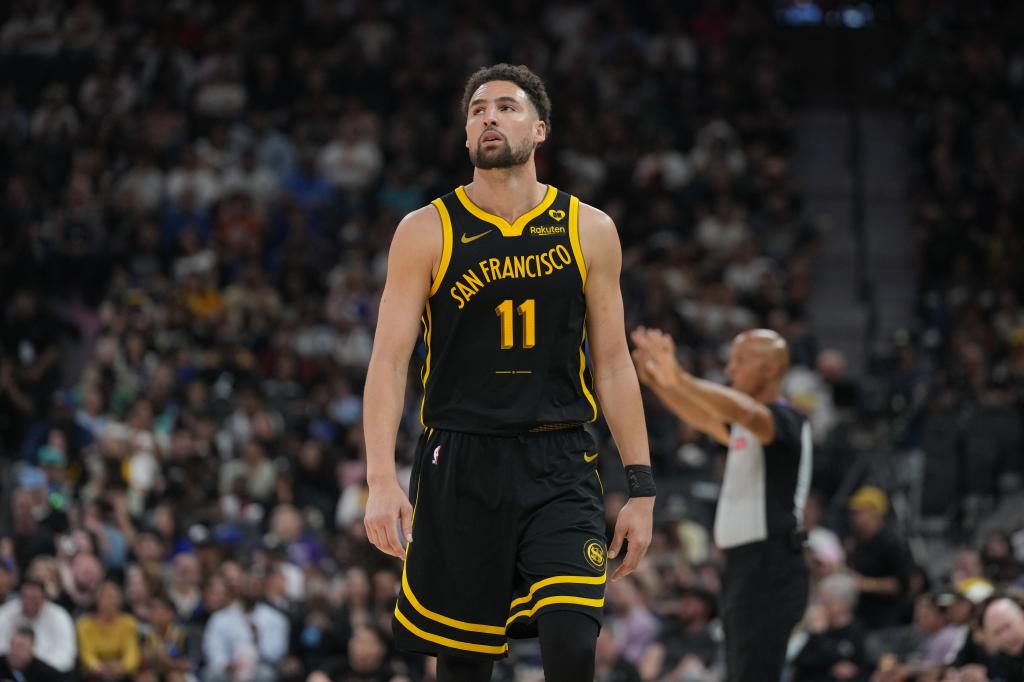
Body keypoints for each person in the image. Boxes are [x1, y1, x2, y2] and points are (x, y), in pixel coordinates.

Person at [363, 63, 654, 682]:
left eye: (506, 106)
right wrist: (380, 479)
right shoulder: (426, 229)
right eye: (477, 110)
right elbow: (388, 361)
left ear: (540, 129)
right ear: (467, 134)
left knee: (572, 646)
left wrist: (642, 488)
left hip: (561, 459)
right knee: (465, 666)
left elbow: (612, 363)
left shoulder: (589, 228)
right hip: (462, 459)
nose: (489, 117)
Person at [630, 327, 811, 682]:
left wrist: (680, 377)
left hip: (771, 565)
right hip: (745, 567)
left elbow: (747, 412)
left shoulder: (785, 420)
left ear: (771, 369)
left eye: (741, 360)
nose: (730, 370)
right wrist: (661, 384)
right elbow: (704, 417)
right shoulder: (747, 429)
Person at [844, 486, 912, 630]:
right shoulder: (857, 541)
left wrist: (864, 584)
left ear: (876, 512)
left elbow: (901, 584)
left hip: (886, 620)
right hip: (860, 617)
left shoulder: (892, 543)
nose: (854, 517)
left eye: (860, 511)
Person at [0, 578, 77, 673]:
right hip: (9, 668)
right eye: (25, 597)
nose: (28, 602)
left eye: (34, 598)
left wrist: (33, 664)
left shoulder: (60, 617)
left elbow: (66, 656)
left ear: (44, 599)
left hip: (47, 673)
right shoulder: (6, 612)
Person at [75, 580, 140, 681]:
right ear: (97, 600)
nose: (111, 602)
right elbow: (86, 653)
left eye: (114, 597)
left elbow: (131, 651)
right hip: (94, 675)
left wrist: (122, 667)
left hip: (122, 674)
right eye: (106, 597)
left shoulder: (128, 623)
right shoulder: (85, 625)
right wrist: (99, 667)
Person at [0, 626, 64, 682]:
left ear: (31, 649)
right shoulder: (2, 664)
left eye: (21, 647)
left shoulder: (47, 674)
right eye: (13, 645)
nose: (16, 651)